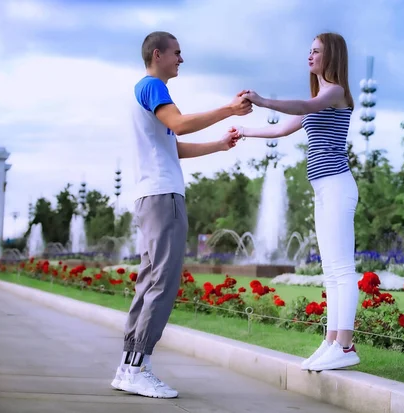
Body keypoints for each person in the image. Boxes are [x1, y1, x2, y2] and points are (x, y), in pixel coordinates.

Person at [111, 31, 252, 398]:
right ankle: (138, 367)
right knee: (163, 282)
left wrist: (220, 145)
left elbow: (175, 146)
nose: (181, 59)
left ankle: (129, 367)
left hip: (151, 196)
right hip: (163, 197)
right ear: (157, 54)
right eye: (176, 53)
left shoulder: (144, 92)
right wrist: (228, 109)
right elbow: (180, 124)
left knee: (149, 281)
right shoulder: (154, 87)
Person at [233, 32, 359, 371]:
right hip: (323, 188)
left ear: (331, 55)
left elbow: (305, 107)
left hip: (336, 185)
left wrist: (262, 100)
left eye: (316, 51)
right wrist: (244, 132)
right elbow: (280, 131)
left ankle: (345, 346)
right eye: (309, 50)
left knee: (342, 270)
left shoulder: (334, 93)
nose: (310, 55)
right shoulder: (320, 96)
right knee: (331, 271)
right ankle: (332, 341)